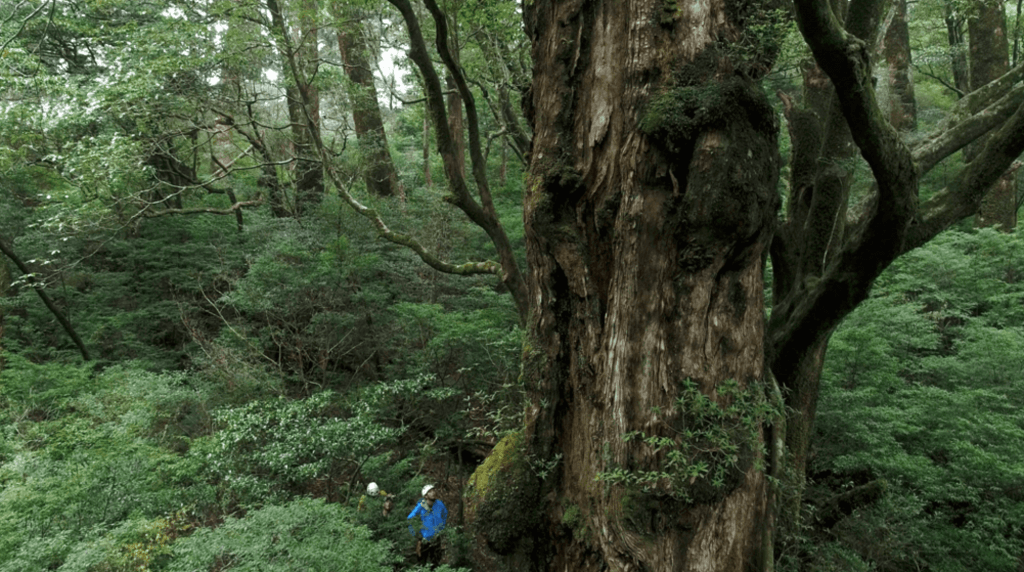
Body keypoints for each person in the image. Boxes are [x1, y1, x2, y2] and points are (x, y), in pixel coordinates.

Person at [407, 484, 448, 564]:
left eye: (433, 490)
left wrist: (442, 527)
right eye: (430, 491)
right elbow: (410, 519)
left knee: (436, 562)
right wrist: (416, 535)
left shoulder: (439, 504)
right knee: (422, 562)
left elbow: (444, 514)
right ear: (425, 496)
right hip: (424, 539)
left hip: (436, 537)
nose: (433, 492)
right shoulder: (421, 506)